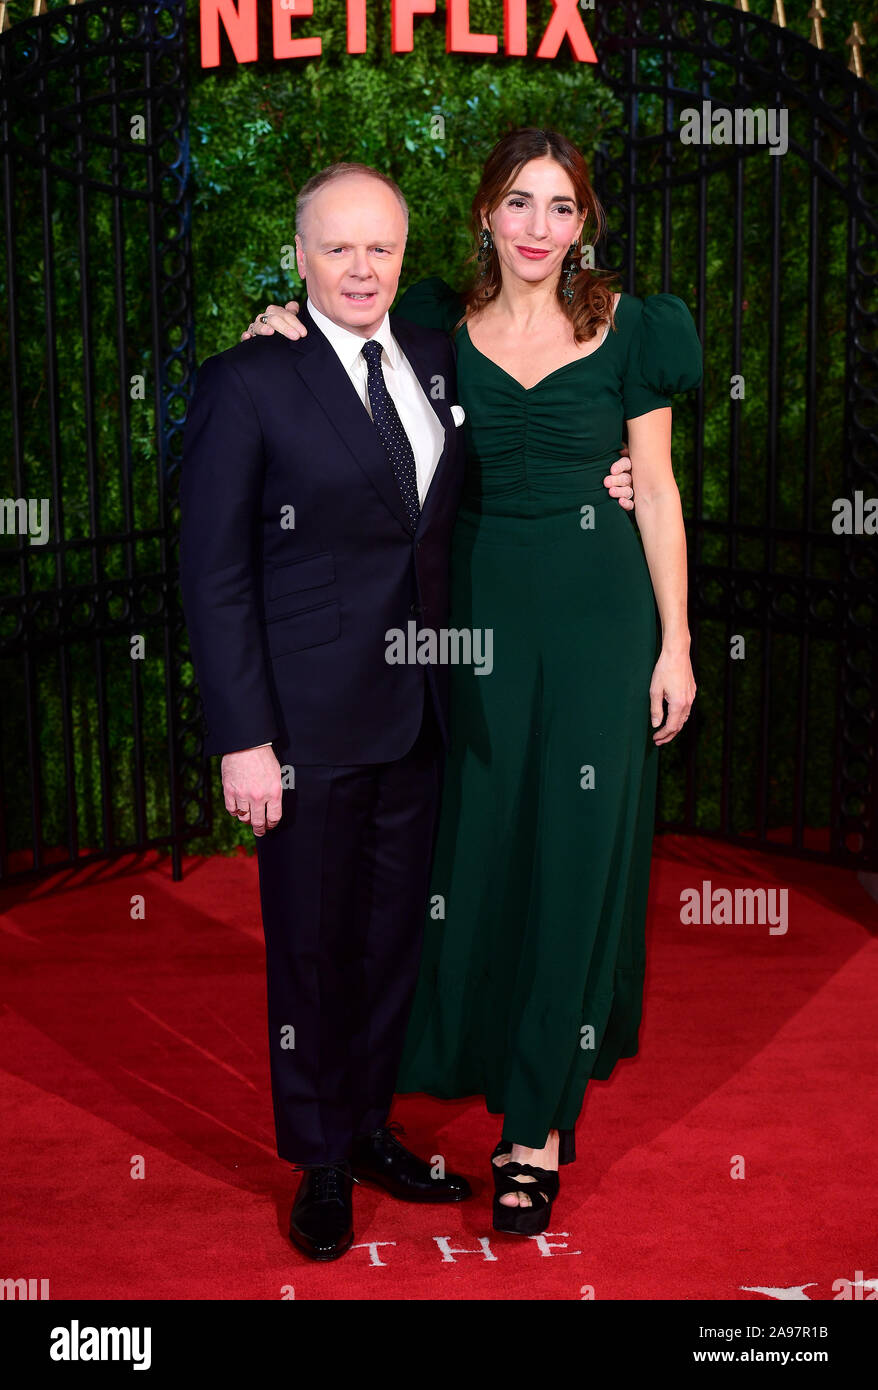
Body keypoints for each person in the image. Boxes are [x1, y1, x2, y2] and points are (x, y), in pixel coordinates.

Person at [238, 131, 680, 1241]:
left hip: (596, 619)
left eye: (562, 207)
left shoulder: (632, 328)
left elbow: (658, 488)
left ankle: (534, 1127)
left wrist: (675, 643)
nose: (539, 227)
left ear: (584, 223)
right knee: (471, 860)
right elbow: (340, 344)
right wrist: (272, 324)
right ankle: (418, 1082)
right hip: (466, 626)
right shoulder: (431, 326)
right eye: (518, 203)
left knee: (575, 861)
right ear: (484, 213)